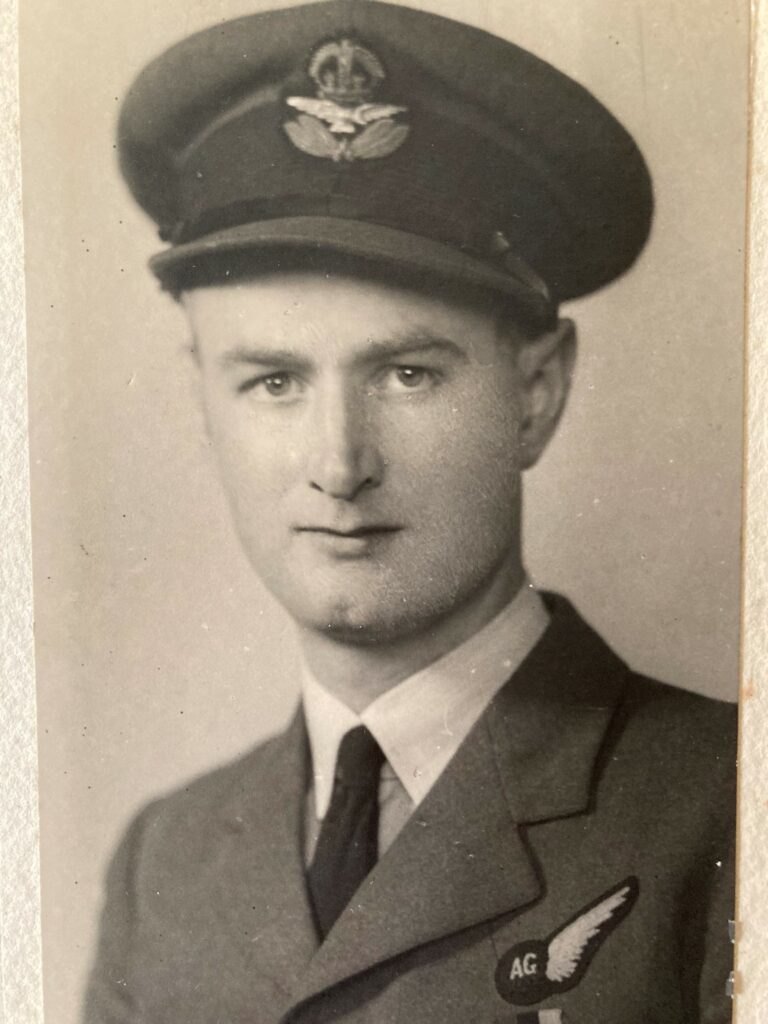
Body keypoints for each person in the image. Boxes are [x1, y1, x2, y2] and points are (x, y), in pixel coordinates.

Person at [84, 2, 737, 1022]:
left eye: (407, 374)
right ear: (201, 401)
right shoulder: (160, 867)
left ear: (536, 394)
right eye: (273, 382)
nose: (339, 465)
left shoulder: (729, 811)